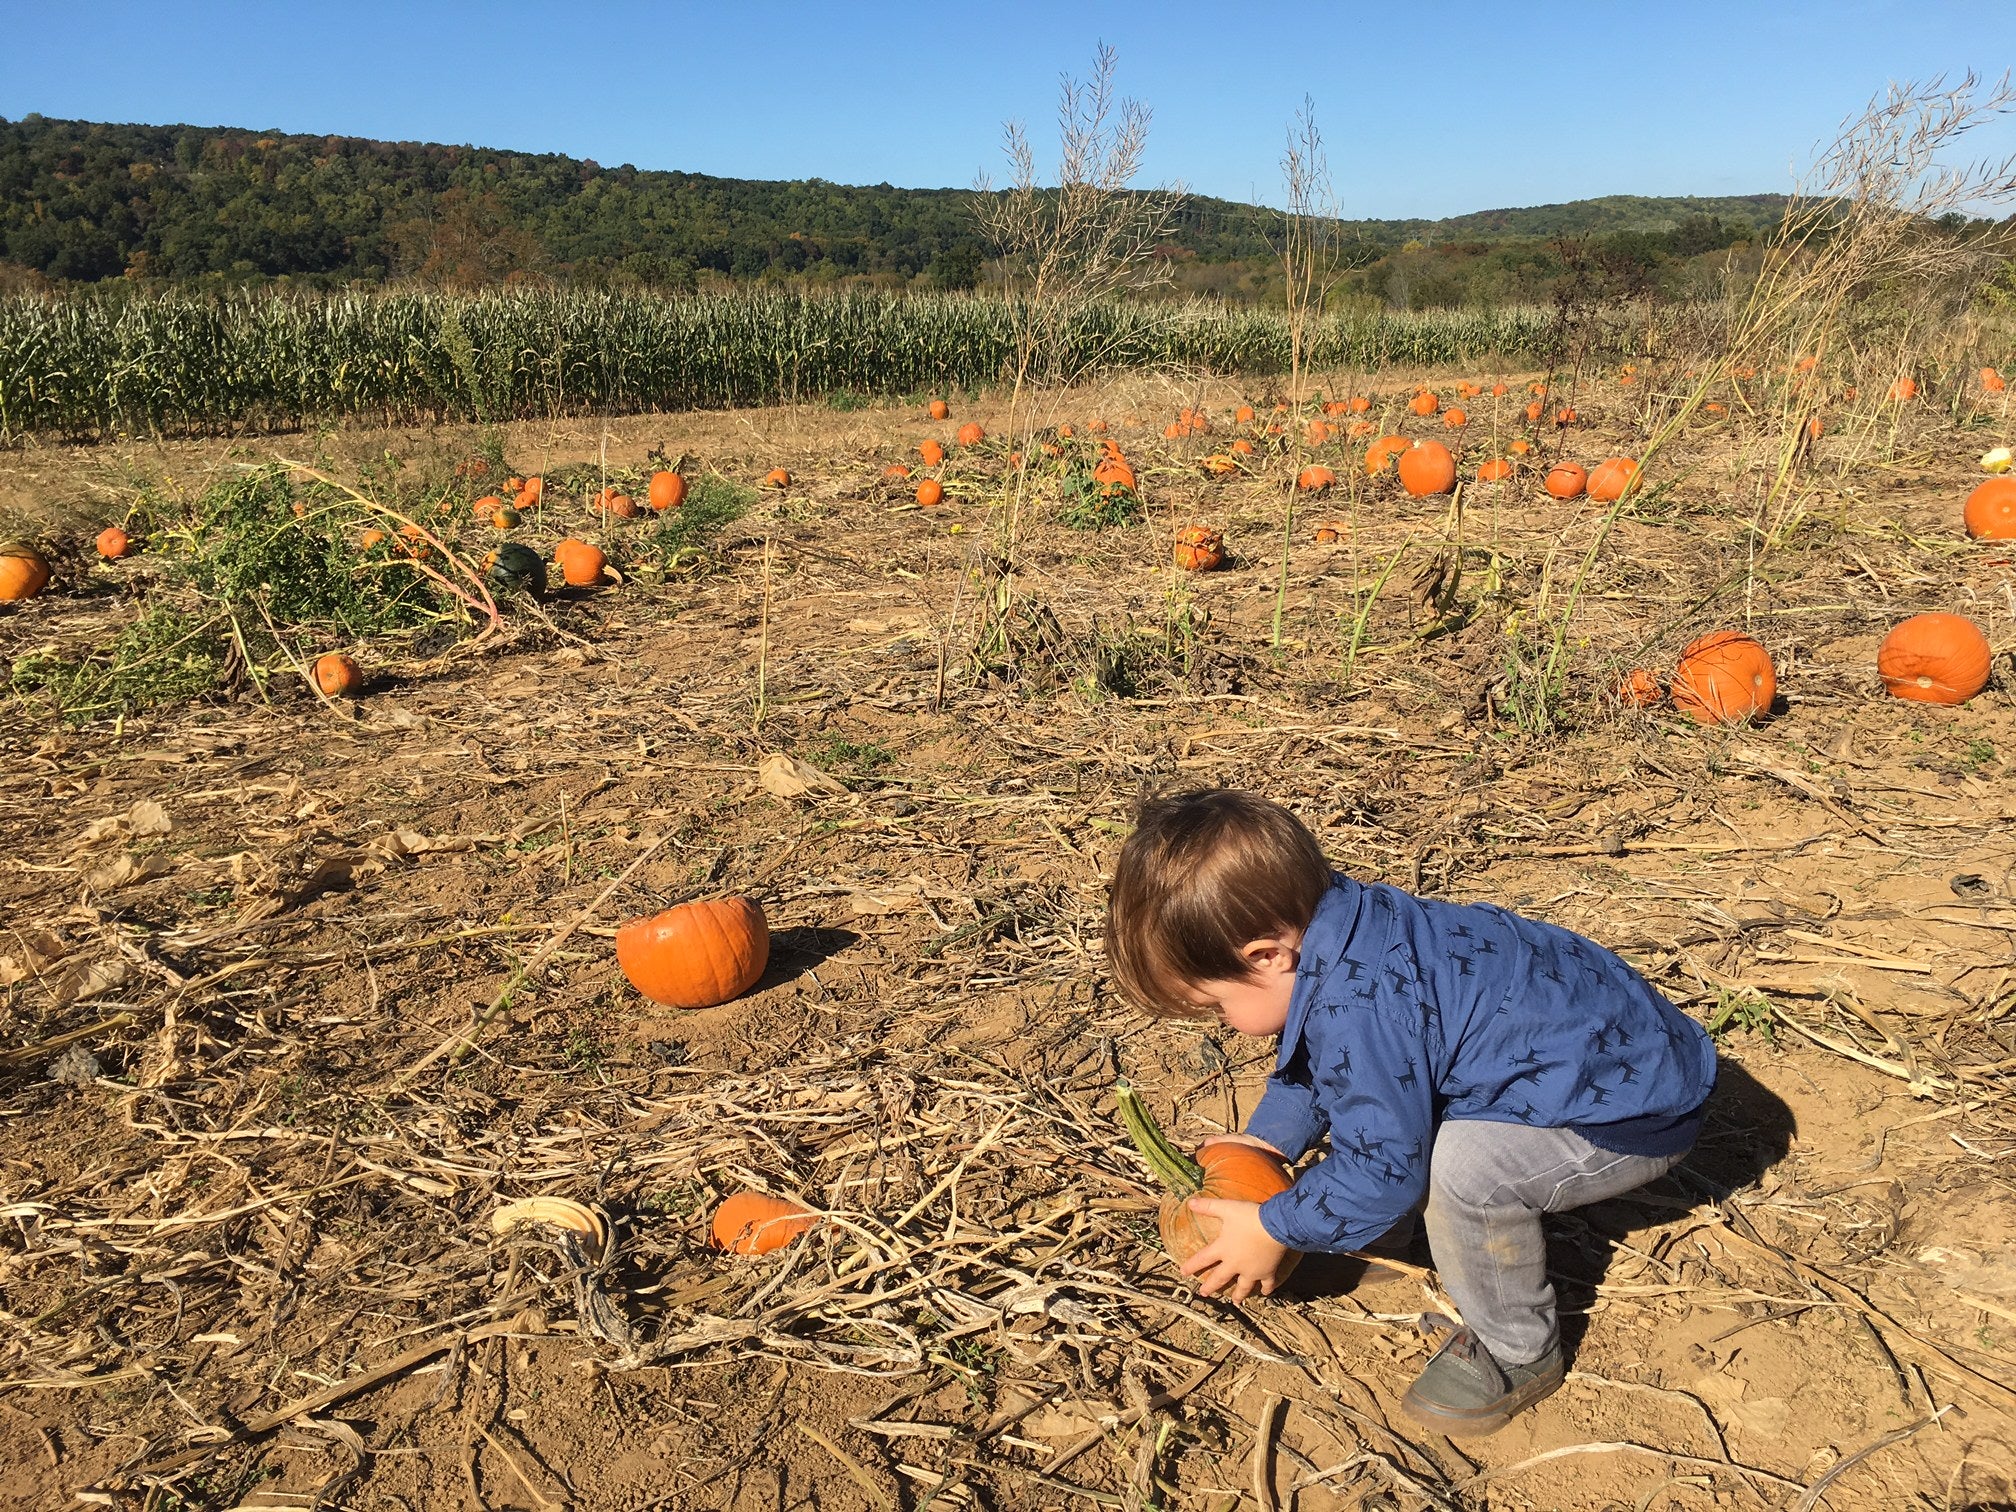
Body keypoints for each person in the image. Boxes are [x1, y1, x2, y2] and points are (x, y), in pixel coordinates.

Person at [1105, 789, 1716, 1437]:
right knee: (1404, 1111)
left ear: (1266, 956)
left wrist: (1275, 1226)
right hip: (1619, 1053)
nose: (1221, 1024)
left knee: (1464, 1173)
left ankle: (1517, 1351)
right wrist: (1266, 1143)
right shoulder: (1346, 927)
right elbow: (1324, 1055)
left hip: (1629, 1113)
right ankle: (1401, 1236)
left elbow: (1383, 1169)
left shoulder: (1363, 1006)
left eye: (1213, 1005)